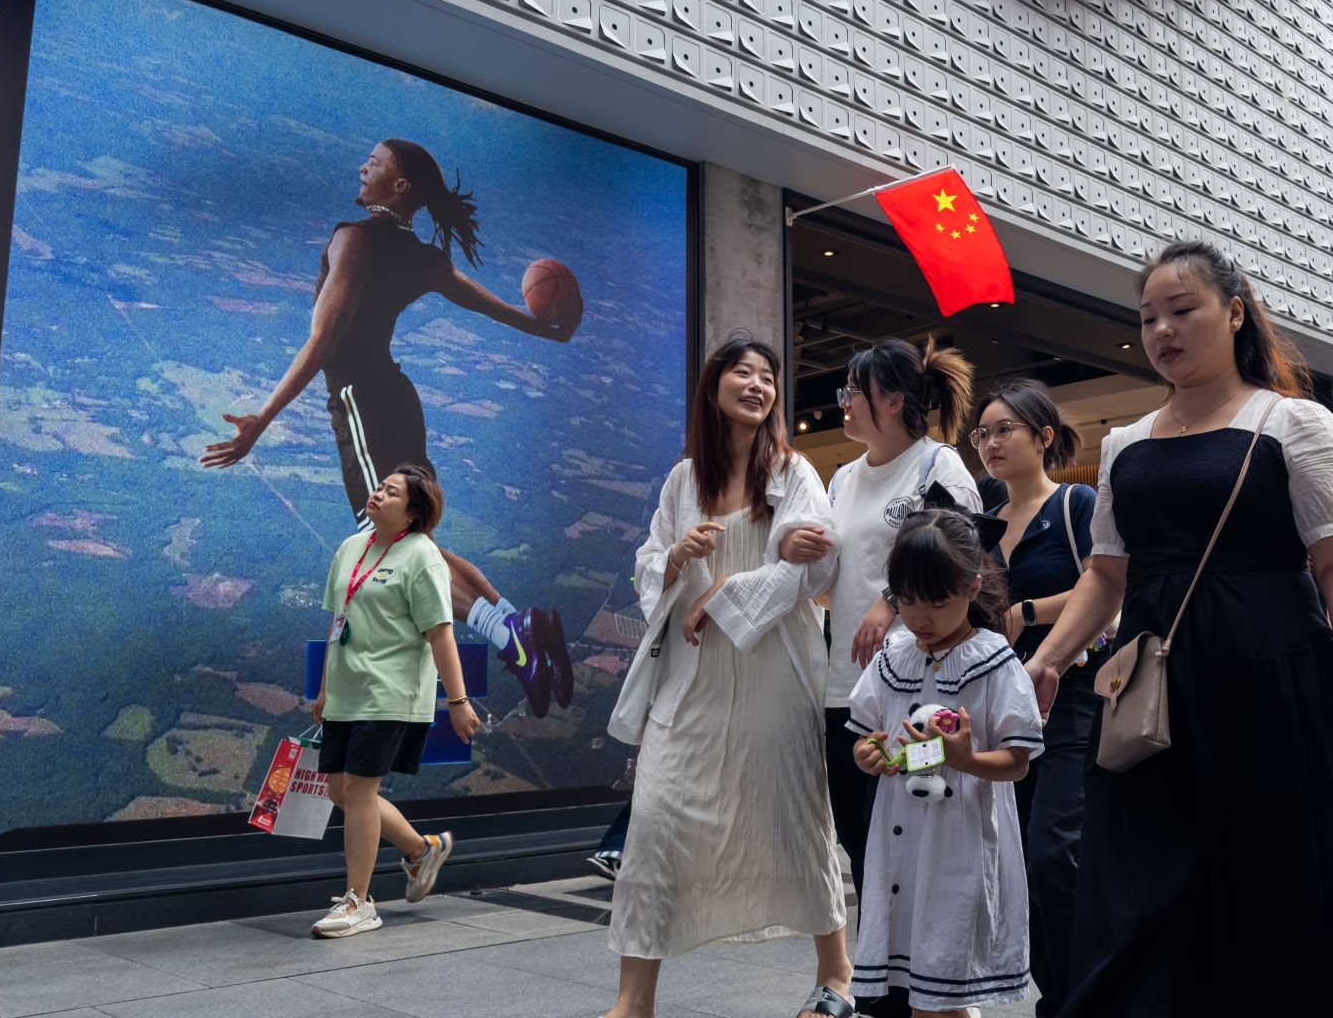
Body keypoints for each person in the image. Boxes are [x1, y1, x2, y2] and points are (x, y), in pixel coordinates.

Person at [1021, 239, 1333, 1017]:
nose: (1162, 330)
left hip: (1276, 689)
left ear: (1234, 313)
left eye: (1182, 310)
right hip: (1150, 705)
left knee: (1271, 897)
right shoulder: (1125, 443)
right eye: (1148, 316)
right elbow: (1105, 575)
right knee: (1135, 901)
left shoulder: (1293, 423)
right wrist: (1049, 661)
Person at [201, 139, 580, 717]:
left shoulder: (352, 239)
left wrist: (261, 420)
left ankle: (509, 638)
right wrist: (548, 331)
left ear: (399, 185)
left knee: (398, 552)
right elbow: (492, 307)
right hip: (399, 400)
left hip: (361, 401)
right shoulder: (425, 258)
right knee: (417, 545)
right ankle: (514, 622)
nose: (362, 167)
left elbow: (324, 340)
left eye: (374, 163)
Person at [604, 335, 851, 1018]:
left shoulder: (795, 471)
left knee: (796, 816)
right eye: (741, 373)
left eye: (767, 377)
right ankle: (634, 998)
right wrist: (677, 561)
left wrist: (726, 593)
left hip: (775, 676)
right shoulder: (684, 479)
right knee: (654, 822)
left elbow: (821, 565)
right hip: (694, 681)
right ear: (714, 387)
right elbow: (647, 566)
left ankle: (837, 972)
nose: (756, 384)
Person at [822, 338, 980, 1017]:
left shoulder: (937, 466)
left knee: (918, 843)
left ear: (891, 398)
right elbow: (829, 577)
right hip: (844, 691)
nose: (844, 403)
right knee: (864, 850)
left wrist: (892, 599)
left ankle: (938, 995)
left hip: (921, 690)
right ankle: (887, 995)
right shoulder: (841, 478)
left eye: (852, 390)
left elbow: (965, 554)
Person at [846, 504, 1042, 1017]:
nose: (919, 617)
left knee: (939, 991)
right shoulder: (894, 656)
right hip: (900, 842)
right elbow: (868, 736)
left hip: (958, 842)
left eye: (936, 601)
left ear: (973, 588)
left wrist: (967, 758)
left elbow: (1018, 761)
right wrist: (869, 755)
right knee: (928, 992)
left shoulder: (994, 661)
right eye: (907, 601)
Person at [310, 464, 482, 938]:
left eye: (390, 492)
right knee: (338, 792)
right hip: (348, 691)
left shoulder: (422, 556)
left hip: (390, 692)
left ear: (411, 513)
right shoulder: (351, 548)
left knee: (360, 792)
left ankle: (358, 901)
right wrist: (326, 688)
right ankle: (421, 850)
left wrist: (458, 700)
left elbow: (441, 634)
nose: (377, 494)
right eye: (380, 486)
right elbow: (337, 623)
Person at [973, 379, 1096, 1018]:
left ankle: (1086, 994)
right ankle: (1058, 994)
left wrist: (1028, 610)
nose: (991, 443)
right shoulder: (984, 527)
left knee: (1055, 850)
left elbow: (1110, 588)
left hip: (1073, 695)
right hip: (1004, 709)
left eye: (1004, 430)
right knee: (1018, 860)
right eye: (983, 433)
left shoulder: (1077, 503)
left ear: (1043, 437)